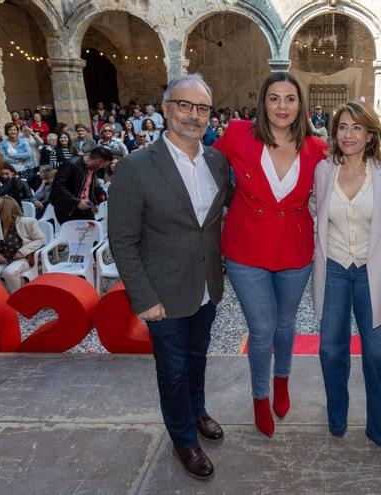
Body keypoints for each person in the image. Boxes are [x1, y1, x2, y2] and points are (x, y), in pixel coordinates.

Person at [109, 74, 231, 481]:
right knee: (172, 369)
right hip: (163, 293)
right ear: (165, 108)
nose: (193, 116)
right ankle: (183, 439)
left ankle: (196, 412)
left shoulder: (217, 161)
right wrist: (143, 297)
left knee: (197, 360)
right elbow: (122, 239)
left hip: (205, 286)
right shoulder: (136, 166)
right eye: (184, 105)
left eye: (202, 108)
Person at [213, 72, 328, 438]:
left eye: (290, 99)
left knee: (285, 324)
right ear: (263, 102)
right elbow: (206, 170)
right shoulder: (236, 135)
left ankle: (282, 381)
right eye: (274, 98)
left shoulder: (317, 148)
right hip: (246, 249)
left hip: (295, 250)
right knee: (261, 329)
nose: (282, 106)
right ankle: (260, 396)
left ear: (300, 105)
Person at [309, 101, 381, 448]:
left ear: (370, 135)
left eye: (357, 127)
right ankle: (337, 419)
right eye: (343, 127)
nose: (349, 134)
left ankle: (379, 427)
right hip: (333, 267)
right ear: (334, 133)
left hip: (371, 270)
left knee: (376, 353)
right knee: (331, 350)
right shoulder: (323, 170)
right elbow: (314, 208)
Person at [0, 196, 45, 293]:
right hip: (3, 259)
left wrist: (22, 251)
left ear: (5, 209)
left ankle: (18, 299)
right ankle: (4, 296)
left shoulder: (27, 222)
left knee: (9, 272)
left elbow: (41, 239)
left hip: (23, 258)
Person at [49, 146, 112, 224]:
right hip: (67, 207)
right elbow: (57, 186)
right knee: (73, 234)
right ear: (98, 160)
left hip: (84, 205)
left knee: (92, 230)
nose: (102, 168)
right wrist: (77, 202)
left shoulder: (93, 168)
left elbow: (88, 187)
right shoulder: (71, 164)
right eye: (103, 165)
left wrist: (94, 203)